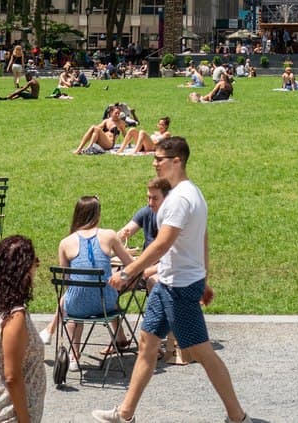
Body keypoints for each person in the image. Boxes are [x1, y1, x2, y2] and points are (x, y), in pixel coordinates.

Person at [95, 136, 248, 423]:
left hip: (178, 287)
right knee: (147, 344)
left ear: (176, 161)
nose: (154, 163)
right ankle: (125, 413)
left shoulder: (179, 199)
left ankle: (237, 416)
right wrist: (204, 278)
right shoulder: (192, 193)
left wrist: (129, 271)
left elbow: (162, 244)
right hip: (169, 283)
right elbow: (202, 238)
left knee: (202, 352)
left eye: (159, 159)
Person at [52, 195, 137, 384]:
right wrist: (119, 274)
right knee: (107, 290)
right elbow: (131, 265)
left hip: (76, 307)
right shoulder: (109, 235)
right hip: (105, 305)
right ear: (97, 214)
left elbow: (66, 279)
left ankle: (74, 354)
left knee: (73, 301)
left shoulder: (65, 243)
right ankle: (120, 337)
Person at [0, 235, 45, 423]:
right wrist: (25, 420)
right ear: (23, 270)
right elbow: (12, 377)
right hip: (8, 415)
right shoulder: (15, 317)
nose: (36, 267)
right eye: (34, 262)